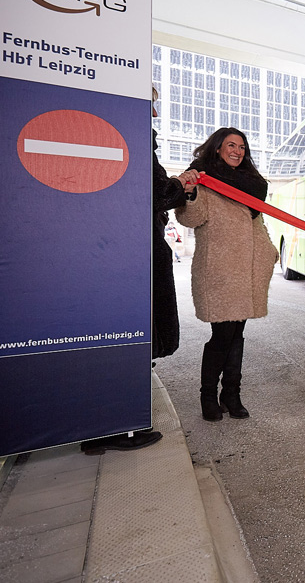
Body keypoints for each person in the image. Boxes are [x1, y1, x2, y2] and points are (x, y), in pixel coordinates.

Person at [81, 87, 201, 455]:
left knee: (123, 342)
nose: (155, 113)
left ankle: (101, 430)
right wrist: (181, 185)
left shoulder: (114, 139)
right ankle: (119, 427)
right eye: (150, 103)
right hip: (133, 257)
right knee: (133, 340)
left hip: (116, 255)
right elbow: (150, 194)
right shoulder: (131, 143)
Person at [176, 128, 279, 421]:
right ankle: (208, 396)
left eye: (242, 147)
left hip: (249, 271)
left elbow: (257, 223)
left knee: (237, 334)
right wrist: (191, 193)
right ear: (218, 148)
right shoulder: (203, 178)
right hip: (220, 272)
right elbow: (190, 218)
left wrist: (269, 250)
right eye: (231, 145)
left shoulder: (252, 185)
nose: (237, 151)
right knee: (222, 336)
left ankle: (231, 395)